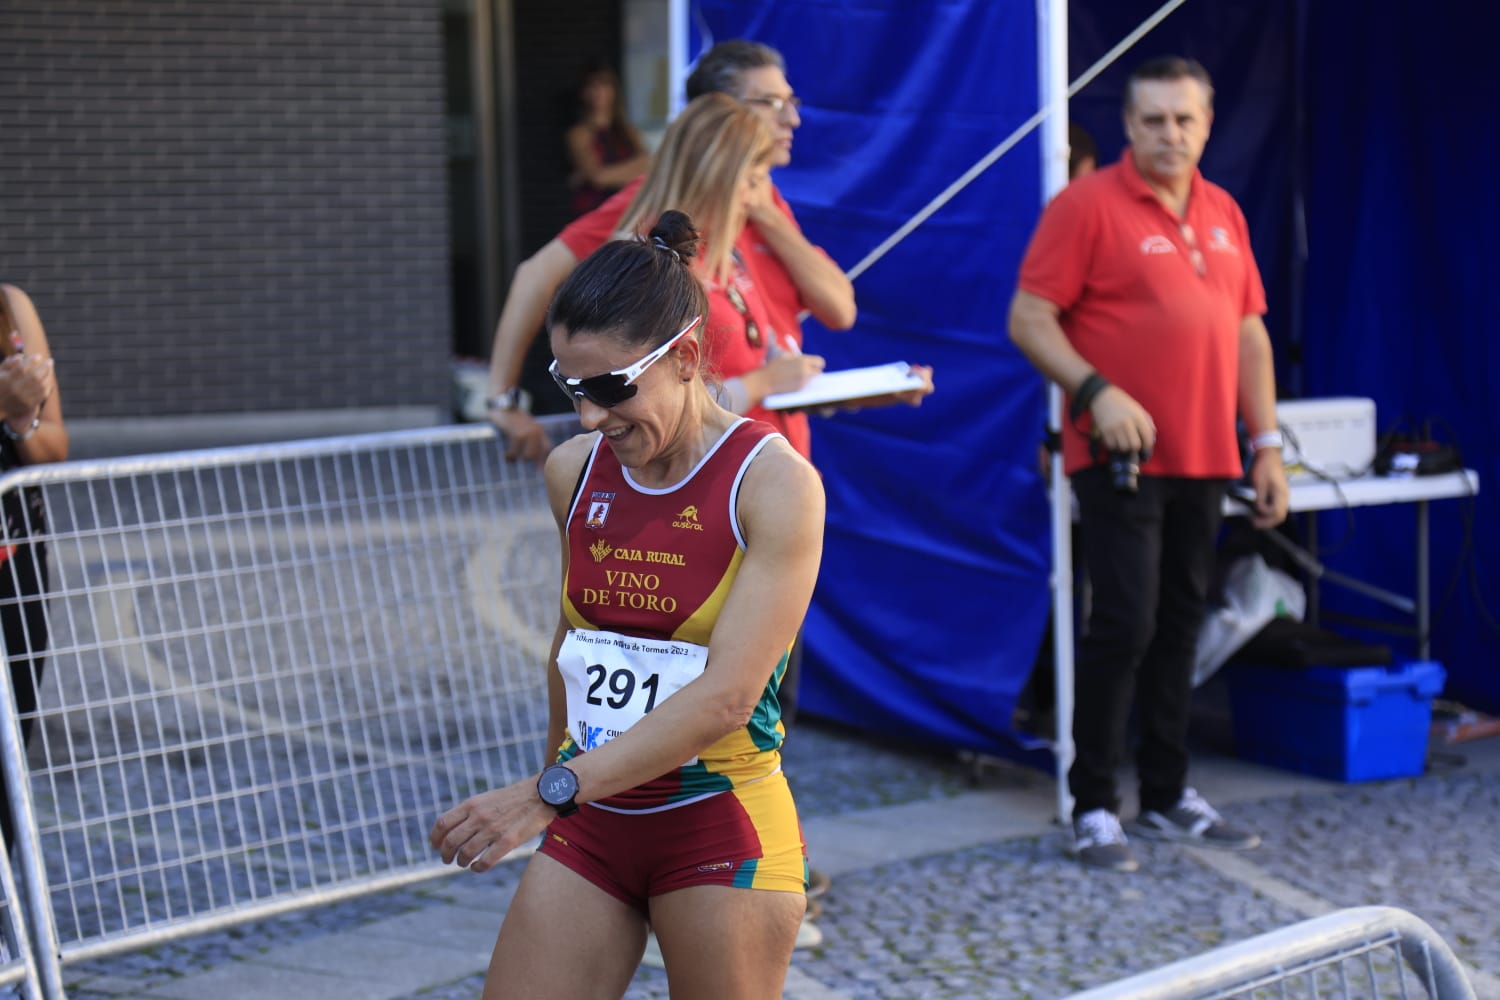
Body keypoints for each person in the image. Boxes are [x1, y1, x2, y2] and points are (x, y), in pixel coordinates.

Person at [431, 210, 824, 1000]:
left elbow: (728, 696)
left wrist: (546, 792)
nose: (589, 417)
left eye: (612, 388)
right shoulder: (574, 471)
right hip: (595, 817)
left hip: (718, 822)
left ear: (685, 358)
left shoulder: (774, 484)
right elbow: (572, 641)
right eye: (571, 388)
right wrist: (558, 779)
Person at [1007, 56, 1288, 873]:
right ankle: (1094, 803)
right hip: (1120, 454)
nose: (1171, 133)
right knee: (1124, 622)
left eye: (1184, 119)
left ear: (1207, 123)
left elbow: (1249, 334)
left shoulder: (1224, 210)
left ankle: (1166, 792)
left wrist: (1267, 444)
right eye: (1155, 119)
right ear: (1129, 125)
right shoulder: (1086, 206)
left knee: (1180, 622)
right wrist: (1096, 392)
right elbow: (1029, 318)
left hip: (1208, 452)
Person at [484, 39, 858, 465]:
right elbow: (539, 276)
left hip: (768, 454)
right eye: (771, 102)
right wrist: (502, 399)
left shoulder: (760, 204)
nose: (791, 117)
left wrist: (766, 214)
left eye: (791, 101)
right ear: (718, 112)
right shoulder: (652, 221)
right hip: (708, 470)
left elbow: (840, 309)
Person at [0, 283, 68, 848]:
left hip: (16, 566)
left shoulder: (10, 307)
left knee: (8, 756)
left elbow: (55, 445)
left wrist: (22, 419)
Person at [565, 62, 650, 219]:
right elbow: (598, 177)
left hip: (627, 212)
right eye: (592, 86)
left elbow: (648, 165)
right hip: (594, 213)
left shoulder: (629, 132)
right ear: (583, 93)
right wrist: (632, 171)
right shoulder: (579, 134)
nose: (598, 92)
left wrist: (606, 175)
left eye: (604, 85)